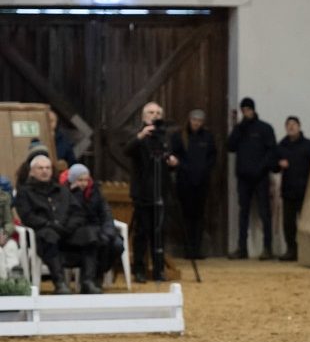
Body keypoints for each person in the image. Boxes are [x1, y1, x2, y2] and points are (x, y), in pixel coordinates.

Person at [13, 156, 96, 294]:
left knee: (89, 234)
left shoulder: (62, 190)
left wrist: (69, 226)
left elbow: (77, 212)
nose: (44, 171)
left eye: (48, 168)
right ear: (32, 171)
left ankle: (88, 280)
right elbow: (27, 217)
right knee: (49, 236)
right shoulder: (25, 192)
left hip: (66, 230)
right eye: (40, 168)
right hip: (42, 232)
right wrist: (50, 224)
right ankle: (60, 282)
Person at [125, 102, 177, 283]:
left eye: (157, 113)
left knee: (160, 232)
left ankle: (159, 270)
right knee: (142, 233)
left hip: (160, 191)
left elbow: (166, 157)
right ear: (143, 116)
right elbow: (127, 150)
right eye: (150, 112)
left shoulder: (164, 136)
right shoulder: (136, 133)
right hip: (142, 192)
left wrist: (171, 161)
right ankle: (139, 269)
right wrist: (140, 136)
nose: (154, 115)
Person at [228, 97, 277, 260]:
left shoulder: (265, 128)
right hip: (243, 179)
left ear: (253, 110)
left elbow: (271, 152)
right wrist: (238, 128)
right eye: (244, 110)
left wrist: (261, 168)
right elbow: (230, 146)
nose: (246, 112)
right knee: (243, 213)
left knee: (265, 213)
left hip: (261, 178)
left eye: (248, 109)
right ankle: (242, 249)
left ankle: (267, 248)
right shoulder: (240, 129)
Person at [64, 164, 123, 293]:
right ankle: (89, 280)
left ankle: (97, 275)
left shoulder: (96, 193)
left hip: (98, 230)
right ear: (72, 180)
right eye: (80, 180)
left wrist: (107, 233)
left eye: (86, 180)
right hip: (78, 232)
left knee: (117, 244)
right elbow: (74, 215)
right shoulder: (65, 194)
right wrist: (77, 194)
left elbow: (106, 214)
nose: (84, 183)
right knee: (91, 242)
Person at [169, 109, 217, 259]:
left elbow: (212, 156)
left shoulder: (208, 137)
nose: (196, 123)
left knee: (199, 217)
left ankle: (197, 249)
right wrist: (180, 166)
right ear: (189, 120)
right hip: (184, 182)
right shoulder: (179, 137)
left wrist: (205, 170)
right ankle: (188, 250)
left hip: (201, 183)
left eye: (199, 121)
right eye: (194, 120)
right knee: (186, 217)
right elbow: (173, 156)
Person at [275, 116, 310, 261]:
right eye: (288, 125)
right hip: (288, 192)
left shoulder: (309, 145)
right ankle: (291, 250)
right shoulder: (281, 146)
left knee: (306, 224)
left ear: (299, 126)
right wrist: (279, 164)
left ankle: (308, 252)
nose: (291, 127)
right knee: (288, 224)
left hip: (306, 192)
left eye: (294, 124)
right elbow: (273, 166)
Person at [0, 175, 17, 277]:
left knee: (12, 246)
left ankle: (14, 284)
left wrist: (5, 234)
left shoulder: (3, 197)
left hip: (1, 235)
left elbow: (9, 222)